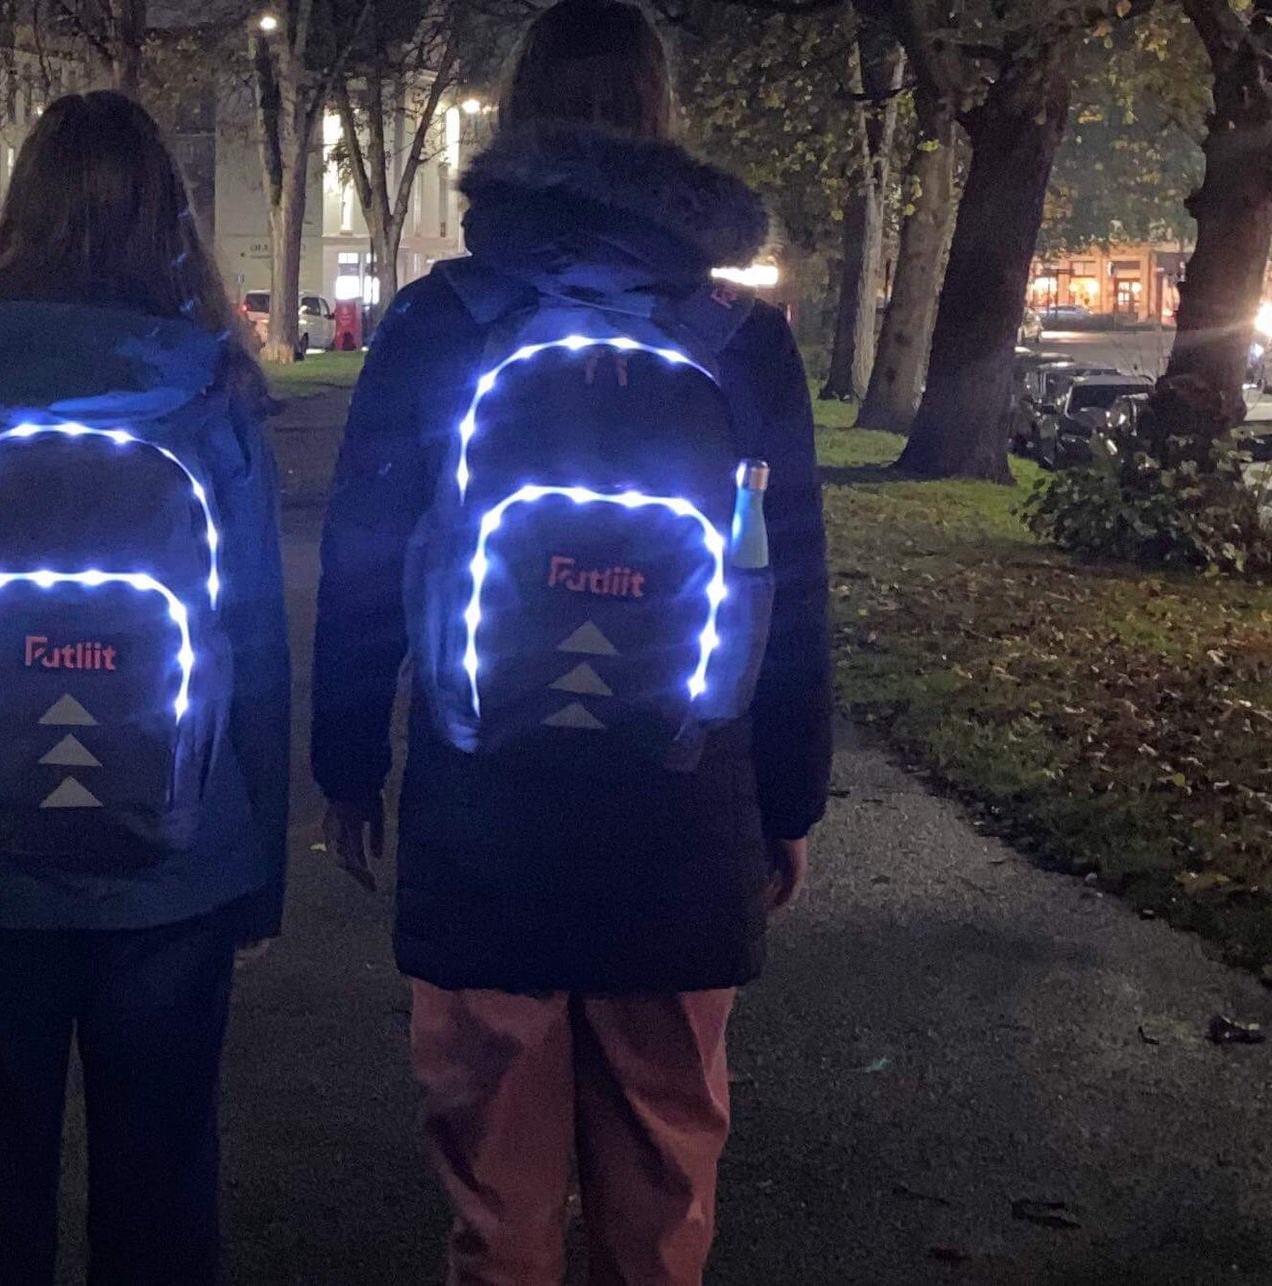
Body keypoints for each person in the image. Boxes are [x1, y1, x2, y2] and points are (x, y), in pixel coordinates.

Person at [311, 1, 832, 1280]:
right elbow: (797, 587)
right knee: (662, 1199)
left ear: (517, 120)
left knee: (499, 1206)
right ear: (664, 124)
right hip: (680, 803)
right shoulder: (740, 338)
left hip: (487, 805)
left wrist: (345, 765)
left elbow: (365, 563)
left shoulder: (444, 322)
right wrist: (788, 800)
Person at [0, 90, 289, 1286]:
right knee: (162, 1191)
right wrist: (259, 869)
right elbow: (253, 640)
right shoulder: (209, 396)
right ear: (171, 218)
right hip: (178, 857)